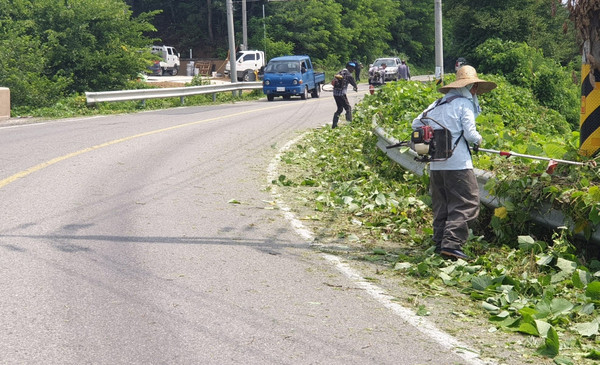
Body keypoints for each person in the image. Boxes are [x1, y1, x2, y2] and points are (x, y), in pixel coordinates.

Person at [411, 65, 496, 260]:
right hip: (458, 164)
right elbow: (470, 134)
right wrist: (479, 140)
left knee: (442, 203)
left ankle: (439, 241)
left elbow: (416, 124)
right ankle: (452, 244)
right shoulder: (464, 104)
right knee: (467, 203)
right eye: (475, 88)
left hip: (436, 164)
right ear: (471, 88)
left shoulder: (437, 104)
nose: (475, 92)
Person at [332, 62, 358, 129]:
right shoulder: (348, 74)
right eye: (352, 68)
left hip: (335, 94)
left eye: (353, 68)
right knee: (348, 108)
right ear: (348, 67)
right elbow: (353, 82)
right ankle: (350, 125)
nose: (353, 70)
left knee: (340, 109)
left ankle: (334, 125)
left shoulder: (340, 72)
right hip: (341, 94)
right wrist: (355, 87)